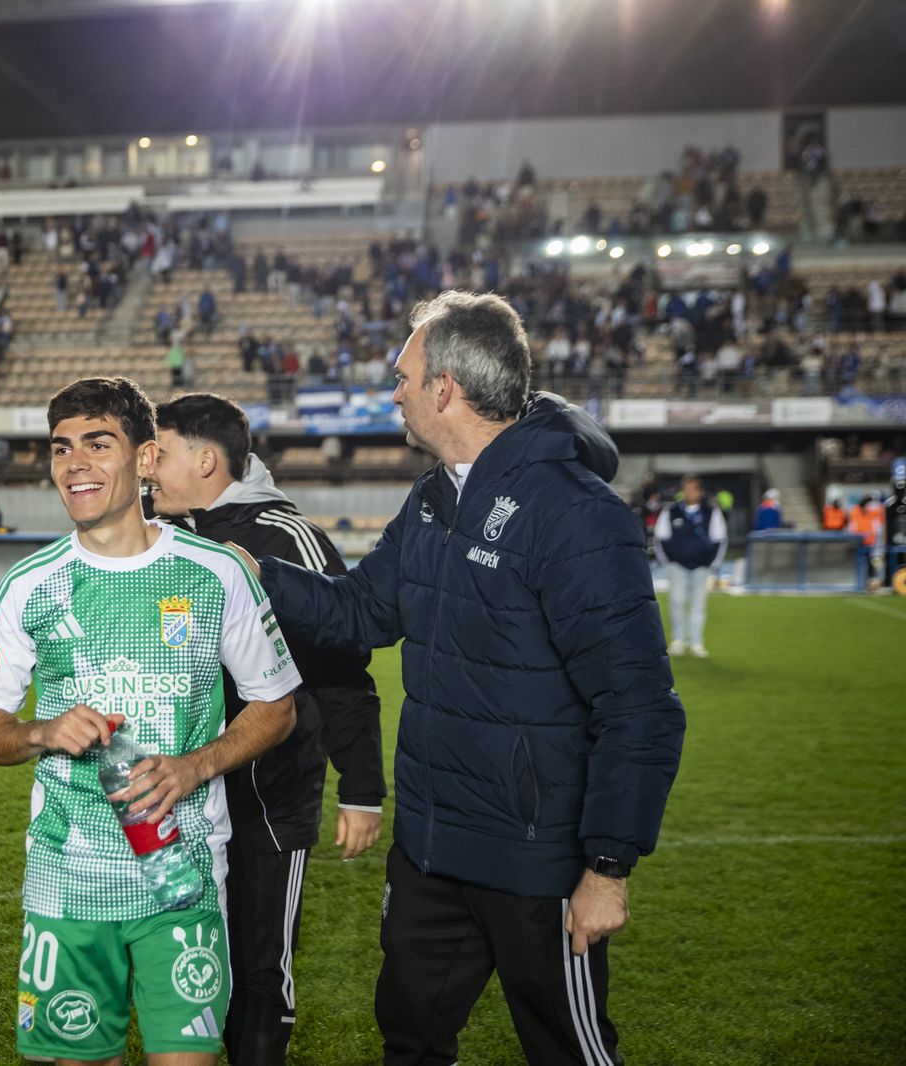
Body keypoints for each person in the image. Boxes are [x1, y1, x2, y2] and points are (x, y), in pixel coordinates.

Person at [242, 292, 685, 1066]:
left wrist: (607, 868)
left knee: (571, 1051)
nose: (395, 394)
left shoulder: (576, 513)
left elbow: (639, 705)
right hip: (430, 846)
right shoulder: (432, 496)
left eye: (403, 377)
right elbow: (361, 612)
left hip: (535, 859)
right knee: (409, 1038)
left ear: (444, 387)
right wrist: (257, 573)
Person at [0, 377, 301, 1066]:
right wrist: (39, 732)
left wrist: (194, 766)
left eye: (98, 444)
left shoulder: (216, 573)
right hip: (67, 881)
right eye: (61, 448)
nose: (74, 464)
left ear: (146, 459)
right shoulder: (27, 586)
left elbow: (276, 706)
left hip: (182, 873)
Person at [150, 393, 385, 1065]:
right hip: (178, 797)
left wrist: (361, 789)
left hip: (266, 794)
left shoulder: (286, 538)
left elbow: (341, 670)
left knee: (258, 969)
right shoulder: (154, 535)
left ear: (205, 460)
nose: (147, 468)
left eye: (158, 453)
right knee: (188, 963)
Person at [654, 476, 727, 658]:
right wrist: (667, 562)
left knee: (698, 605)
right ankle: (678, 640)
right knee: (676, 602)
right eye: (686, 488)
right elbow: (660, 537)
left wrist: (713, 564)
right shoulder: (671, 511)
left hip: (702, 566)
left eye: (693, 488)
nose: (690, 492)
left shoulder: (711, 512)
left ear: (700, 491)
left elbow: (720, 538)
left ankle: (696, 642)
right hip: (677, 565)